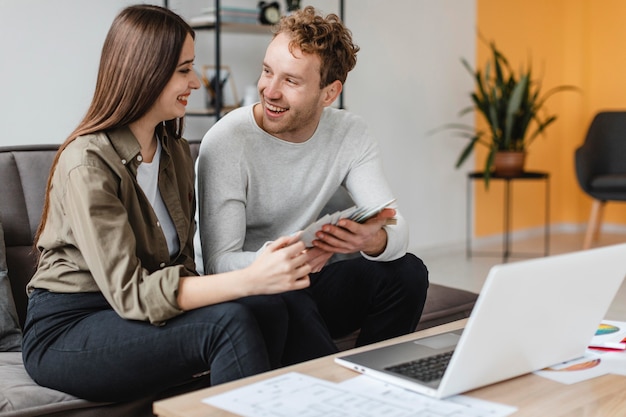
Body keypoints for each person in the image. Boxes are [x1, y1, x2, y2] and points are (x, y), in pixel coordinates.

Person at [21, 4, 312, 403]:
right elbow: (131, 293)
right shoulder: (87, 163)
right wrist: (248, 278)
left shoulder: (173, 150)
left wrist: (262, 281)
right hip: (69, 327)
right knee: (228, 322)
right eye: (183, 69)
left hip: (128, 315)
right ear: (145, 71)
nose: (195, 81)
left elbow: (183, 268)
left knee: (272, 306)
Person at [194, 6, 429, 367]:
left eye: (291, 81)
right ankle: (339, 397)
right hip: (247, 290)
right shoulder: (227, 141)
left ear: (329, 93)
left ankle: (379, 377)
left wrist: (373, 240)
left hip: (301, 278)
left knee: (406, 272)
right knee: (288, 292)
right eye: (267, 71)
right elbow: (217, 264)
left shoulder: (350, 133)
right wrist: (286, 258)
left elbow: (395, 223)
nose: (269, 90)